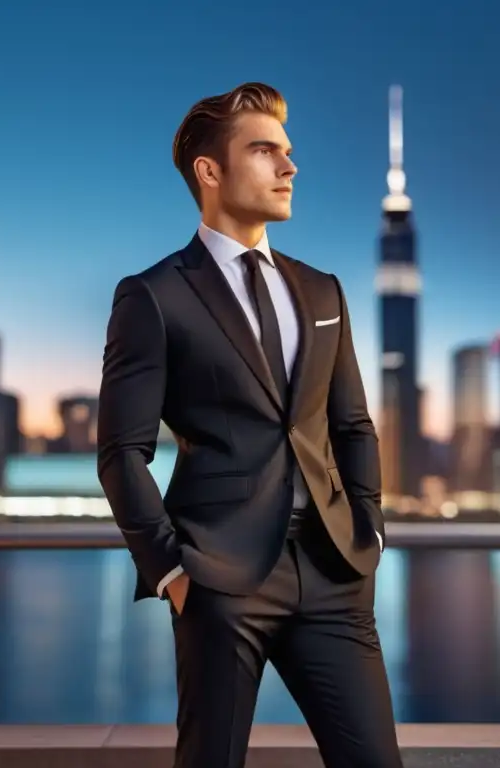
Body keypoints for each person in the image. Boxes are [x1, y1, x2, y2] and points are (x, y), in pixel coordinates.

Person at [97, 81, 403, 768]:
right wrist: (173, 571)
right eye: (266, 151)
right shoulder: (154, 295)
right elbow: (122, 452)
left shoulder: (322, 290)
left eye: (288, 152)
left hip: (334, 572)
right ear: (211, 171)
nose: (290, 167)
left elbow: (352, 426)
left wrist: (370, 532)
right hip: (219, 578)